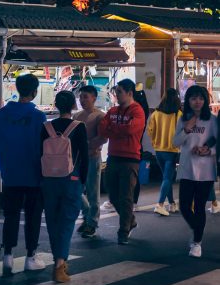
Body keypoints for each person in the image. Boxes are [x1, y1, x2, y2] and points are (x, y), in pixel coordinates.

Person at [0, 73, 47, 276]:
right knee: (33, 216)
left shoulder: (3, 113)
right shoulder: (39, 117)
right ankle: (31, 256)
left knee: (11, 215)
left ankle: (7, 255)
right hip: (33, 174)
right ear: (34, 91)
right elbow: (44, 146)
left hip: (10, 173)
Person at [40, 91, 88, 283]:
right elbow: (84, 157)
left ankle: (57, 259)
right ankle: (60, 264)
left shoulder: (46, 127)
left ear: (56, 105)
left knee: (52, 221)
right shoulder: (79, 127)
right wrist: (82, 181)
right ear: (73, 106)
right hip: (71, 179)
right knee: (67, 221)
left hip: (48, 180)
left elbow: (39, 155)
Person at [98, 78, 146, 245]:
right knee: (113, 193)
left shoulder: (138, 111)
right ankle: (130, 219)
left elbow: (132, 129)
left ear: (129, 93)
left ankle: (123, 230)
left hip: (130, 158)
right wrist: (118, 131)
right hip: (113, 157)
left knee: (126, 196)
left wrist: (113, 130)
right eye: (115, 92)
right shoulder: (112, 111)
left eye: (119, 92)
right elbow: (102, 129)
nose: (116, 95)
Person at [172, 85, 217, 258]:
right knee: (184, 206)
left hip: (206, 170)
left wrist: (208, 150)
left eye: (200, 98)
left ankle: (197, 243)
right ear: (188, 101)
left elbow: (216, 143)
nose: (197, 102)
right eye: (193, 98)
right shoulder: (183, 119)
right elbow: (175, 142)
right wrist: (187, 129)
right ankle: (197, 229)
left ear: (205, 100)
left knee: (199, 207)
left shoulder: (212, 120)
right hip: (187, 169)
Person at [74, 85, 106, 239]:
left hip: (93, 157)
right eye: (81, 97)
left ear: (94, 98)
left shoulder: (100, 116)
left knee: (93, 192)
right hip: (77, 159)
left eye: (85, 97)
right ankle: (87, 215)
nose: (82, 100)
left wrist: (87, 145)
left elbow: (103, 138)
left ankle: (92, 223)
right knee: (75, 190)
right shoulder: (77, 116)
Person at [148, 88, 183, 216]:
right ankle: (160, 204)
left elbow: (150, 130)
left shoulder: (156, 114)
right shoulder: (178, 114)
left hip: (158, 150)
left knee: (165, 179)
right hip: (172, 151)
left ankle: (172, 204)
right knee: (168, 178)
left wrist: (155, 143)